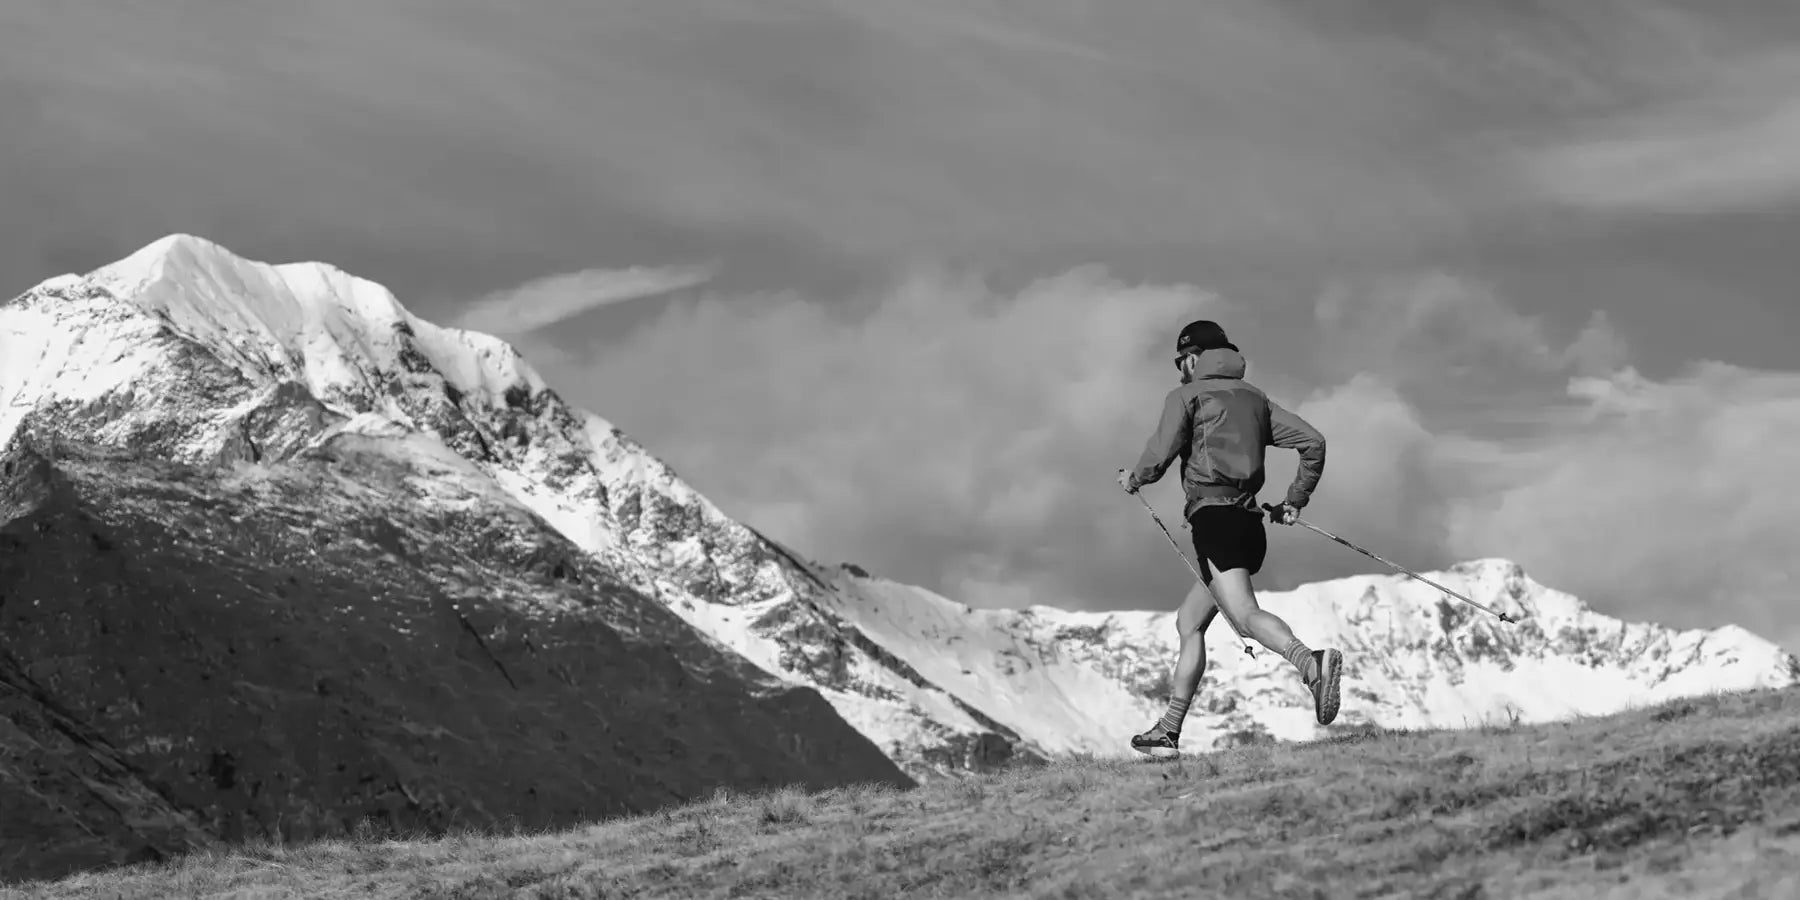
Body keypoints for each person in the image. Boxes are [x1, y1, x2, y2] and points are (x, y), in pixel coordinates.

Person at [1116, 319, 1341, 758]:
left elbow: (1161, 451)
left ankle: (1311, 663)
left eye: (1181, 360)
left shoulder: (1187, 395)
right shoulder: (1256, 399)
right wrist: (1294, 501)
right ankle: (1168, 731)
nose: (1180, 368)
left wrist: (1135, 478)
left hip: (1215, 521)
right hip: (1248, 522)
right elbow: (1313, 442)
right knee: (1190, 622)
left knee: (1243, 616)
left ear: (1193, 357)